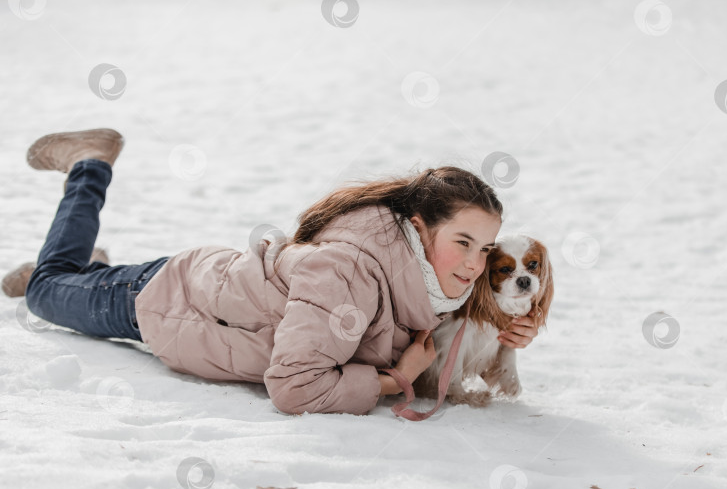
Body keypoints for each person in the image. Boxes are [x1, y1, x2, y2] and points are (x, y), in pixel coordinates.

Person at [6, 128, 541, 416]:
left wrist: (514, 334)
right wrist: (394, 380)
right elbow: (295, 388)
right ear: (422, 230)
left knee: (71, 277)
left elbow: (468, 322)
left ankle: (90, 266)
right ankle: (89, 165)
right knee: (48, 290)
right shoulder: (349, 275)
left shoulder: (427, 280)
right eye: (463, 243)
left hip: (211, 290)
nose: (475, 265)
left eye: (485, 249)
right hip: (167, 302)